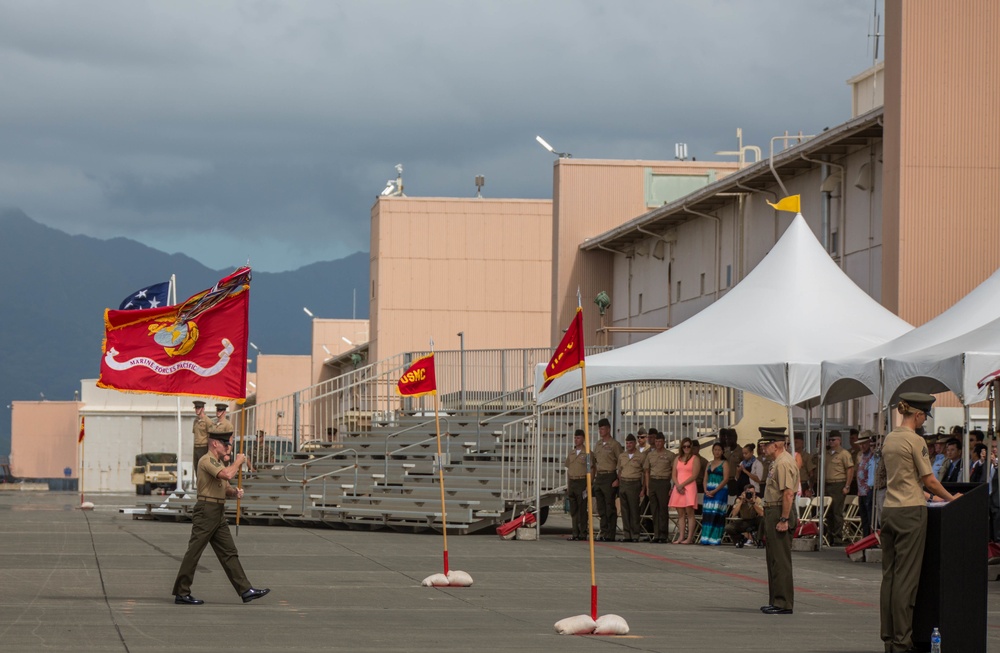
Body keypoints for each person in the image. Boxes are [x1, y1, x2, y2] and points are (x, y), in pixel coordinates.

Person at [880, 393, 958, 653]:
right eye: (925, 416)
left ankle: (890, 638)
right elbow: (929, 479)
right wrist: (952, 499)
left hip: (889, 509)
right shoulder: (915, 440)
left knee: (889, 577)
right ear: (919, 415)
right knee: (906, 579)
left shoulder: (890, 438)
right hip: (910, 512)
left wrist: (932, 494)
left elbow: (899, 477)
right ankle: (903, 641)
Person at [172, 430, 270, 605]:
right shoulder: (207, 460)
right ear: (215, 443)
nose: (228, 447)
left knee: (229, 552)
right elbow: (227, 475)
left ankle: (245, 590)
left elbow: (225, 487)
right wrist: (239, 461)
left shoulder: (217, 463)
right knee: (194, 552)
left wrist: (234, 492)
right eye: (225, 444)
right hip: (206, 510)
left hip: (217, 510)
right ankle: (181, 592)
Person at [759, 427, 798, 615]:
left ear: (776, 444)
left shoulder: (783, 463)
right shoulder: (777, 462)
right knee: (773, 558)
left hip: (779, 510)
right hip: (773, 509)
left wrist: (783, 518)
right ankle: (776, 600)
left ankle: (783, 603)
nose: (763, 448)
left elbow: (788, 494)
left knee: (780, 559)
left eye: (766, 445)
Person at [591, 418, 623, 542]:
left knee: (610, 507)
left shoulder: (614, 445)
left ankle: (611, 533)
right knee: (601, 508)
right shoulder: (598, 444)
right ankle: (603, 532)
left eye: (603, 428)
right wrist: (593, 479)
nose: (600, 431)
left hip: (610, 476)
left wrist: (618, 479)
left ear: (608, 429)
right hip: (599, 477)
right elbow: (594, 462)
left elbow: (621, 463)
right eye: (599, 429)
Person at [824, 430, 854, 546]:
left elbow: (850, 469)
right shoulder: (827, 453)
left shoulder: (844, 454)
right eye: (829, 440)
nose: (831, 442)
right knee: (828, 512)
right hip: (828, 484)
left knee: (837, 511)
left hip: (838, 483)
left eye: (833, 440)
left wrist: (847, 485)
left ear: (839, 440)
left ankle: (837, 537)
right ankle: (830, 535)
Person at [644, 432, 675, 543]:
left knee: (663, 510)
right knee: (654, 510)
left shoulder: (670, 455)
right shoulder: (650, 455)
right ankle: (656, 534)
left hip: (664, 482)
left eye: (660, 441)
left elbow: (673, 471)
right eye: (656, 441)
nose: (658, 443)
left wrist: (672, 485)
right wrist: (648, 487)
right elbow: (647, 471)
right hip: (653, 482)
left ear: (664, 442)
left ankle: (663, 535)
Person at [669, 437, 701, 544]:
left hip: (689, 486)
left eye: (688, 446)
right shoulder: (677, 459)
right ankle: (681, 536)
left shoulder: (694, 459)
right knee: (681, 514)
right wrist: (678, 485)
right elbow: (674, 474)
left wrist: (682, 485)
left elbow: (694, 475)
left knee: (690, 513)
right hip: (678, 487)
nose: (686, 448)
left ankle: (689, 537)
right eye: (684, 446)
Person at [699, 441, 730, 545]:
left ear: (722, 452)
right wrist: (705, 490)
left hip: (720, 491)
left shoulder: (724, 463)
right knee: (708, 514)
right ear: (712, 451)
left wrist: (715, 490)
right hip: (708, 490)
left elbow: (725, 479)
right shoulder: (709, 463)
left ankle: (715, 538)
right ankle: (705, 537)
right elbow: (705, 478)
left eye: (719, 450)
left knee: (716, 513)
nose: (717, 452)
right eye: (715, 450)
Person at [617, 434, 645, 542]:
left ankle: (635, 534)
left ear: (635, 443)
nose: (628, 445)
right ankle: (626, 534)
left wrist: (643, 488)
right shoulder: (622, 456)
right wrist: (621, 481)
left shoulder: (640, 456)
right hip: (624, 483)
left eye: (631, 443)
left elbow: (645, 472)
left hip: (634, 484)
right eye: (627, 443)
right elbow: (619, 470)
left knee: (634, 510)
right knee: (624, 511)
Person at [564, 429, 589, 541]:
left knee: (582, 510)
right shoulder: (571, 453)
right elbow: (569, 470)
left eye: (578, 437)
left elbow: (591, 469)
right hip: (573, 482)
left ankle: (583, 533)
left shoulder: (587, 453)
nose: (576, 440)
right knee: (573, 510)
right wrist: (568, 486)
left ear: (583, 439)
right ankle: (575, 533)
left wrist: (589, 484)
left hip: (582, 481)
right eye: (575, 437)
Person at [855, 431, 878, 538]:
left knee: (870, 518)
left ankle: (871, 540)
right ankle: (865, 539)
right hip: (861, 492)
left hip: (869, 490)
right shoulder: (860, 456)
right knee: (864, 519)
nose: (862, 446)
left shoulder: (873, 456)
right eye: (860, 444)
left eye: (864, 443)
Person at [191, 400, 210, 486]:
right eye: (196, 408)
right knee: (196, 468)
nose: (196, 410)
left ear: (203, 409)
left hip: (204, 447)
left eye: (198, 408)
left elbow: (210, 436)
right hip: (196, 447)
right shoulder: (195, 421)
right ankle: (199, 486)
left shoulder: (207, 421)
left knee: (203, 469)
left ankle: (205, 486)